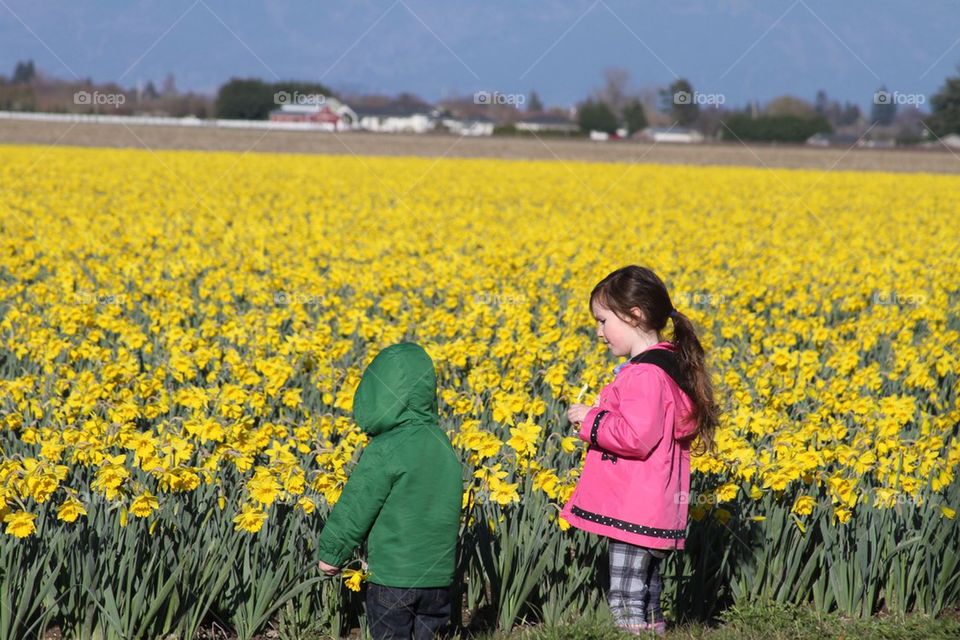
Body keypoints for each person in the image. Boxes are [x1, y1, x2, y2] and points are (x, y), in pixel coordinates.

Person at [560, 266, 719, 636]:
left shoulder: (644, 375)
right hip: (654, 507)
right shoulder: (668, 366)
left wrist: (590, 420)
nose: (598, 332)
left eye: (603, 321)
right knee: (647, 594)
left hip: (635, 506)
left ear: (635, 315)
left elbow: (635, 436)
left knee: (626, 597)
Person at [316, 342, 463, 640]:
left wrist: (332, 554)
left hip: (393, 581)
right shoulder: (444, 445)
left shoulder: (384, 449)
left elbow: (357, 506)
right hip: (439, 581)